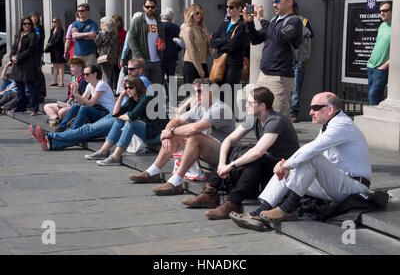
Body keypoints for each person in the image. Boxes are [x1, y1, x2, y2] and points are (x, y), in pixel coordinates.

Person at [230, 92, 371, 231]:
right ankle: (261, 211)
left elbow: (311, 149)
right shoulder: (329, 125)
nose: (310, 112)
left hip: (354, 187)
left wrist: (287, 165)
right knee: (297, 163)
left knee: (308, 158)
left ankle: (287, 208)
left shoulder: (342, 125)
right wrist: (286, 165)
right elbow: (307, 155)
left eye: (315, 108)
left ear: (330, 110)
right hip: (336, 184)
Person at [183, 87, 299, 219]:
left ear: (262, 105)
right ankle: (210, 192)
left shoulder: (275, 121)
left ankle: (232, 203)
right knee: (234, 150)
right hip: (269, 166)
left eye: (250, 103)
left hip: (283, 169)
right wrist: (222, 164)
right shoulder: (253, 118)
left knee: (253, 156)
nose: (246, 105)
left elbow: (258, 152)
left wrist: (231, 165)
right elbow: (229, 140)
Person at [129, 78, 237, 196]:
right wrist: (167, 134)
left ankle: (176, 181)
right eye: (195, 92)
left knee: (194, 136)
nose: (196, 95)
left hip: (225, 154)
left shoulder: (220, 108)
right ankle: (153, 171)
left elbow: (195, 128)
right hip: (209, 149)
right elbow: (177, 120)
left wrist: (171, 132)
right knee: (176, 134)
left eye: (200, 91)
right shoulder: (200, 107)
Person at [29, 60, 152, 151]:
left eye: (132, 69)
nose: (129, 71)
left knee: (88, 129)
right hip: (116, 115)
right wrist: (76, 93)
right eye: (127, 69)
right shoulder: (132, 82)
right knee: (87, 131)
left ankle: (51, 136)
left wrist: (120, 114)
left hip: (120, 118)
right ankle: (52, 143)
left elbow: (141, 107)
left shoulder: (142, 81)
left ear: (141, 70)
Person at [243, 0, 303, 119]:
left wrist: (262, 19)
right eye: (273, 2)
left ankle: (284, 140)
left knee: (278, 116)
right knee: (258, 112)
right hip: (264, 74)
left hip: (279, 77)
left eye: (277, 1)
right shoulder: (274, 21)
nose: (274, 5)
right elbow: (256, 39)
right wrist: (249, 23)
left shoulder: (294, 21)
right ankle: (265, 139)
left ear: (289, 2)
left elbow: (279, 37)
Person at [84, 78, 169, 166]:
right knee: (120, 120)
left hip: (158, 134)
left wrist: (120, 116)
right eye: (126, 88)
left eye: (130, 87)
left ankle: (115, 157)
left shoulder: (147, 97)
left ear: (138, 87)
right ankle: (103, 151)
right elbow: (115, 113)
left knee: (130, 123)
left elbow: (130, 117)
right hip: (148, 131)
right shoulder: (133, 100)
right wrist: (121, 96)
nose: (128, 90)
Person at [210, 0, 246, 110]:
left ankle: (230, 119)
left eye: (231, 7)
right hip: (220, 62)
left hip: (233, 64)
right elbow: (212, 42)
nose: (228, 10)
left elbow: (233, 46)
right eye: (227, 7)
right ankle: (220, 117)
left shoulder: (242, 25)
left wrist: (221, 42)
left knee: (229, 93)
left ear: (239, 9)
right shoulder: (223, 24)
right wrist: (225, 40)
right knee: (217, 91)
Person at [55, 64, 115, 131]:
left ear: (95, 74)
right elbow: (80, 102)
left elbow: (91, 103)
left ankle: (73, 130)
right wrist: (75, 92)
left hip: (107, 114)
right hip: (99, 110)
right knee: (75, 106)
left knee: (84, 108)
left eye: (87, 74)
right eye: (84, 74)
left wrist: (77, 95)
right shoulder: (90, 85)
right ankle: (62, 127)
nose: (85, 76)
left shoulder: (101, 84)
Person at [128, 0, 165, 84]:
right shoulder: (138, 21)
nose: (150, 9)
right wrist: (138, 56)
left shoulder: (158, 22)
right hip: (142, 60)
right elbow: (131, 38)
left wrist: (162, 46)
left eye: (152, 7)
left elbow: (162, 39)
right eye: (147, 7)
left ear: (155, 8)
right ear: (143, 7)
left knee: (156, 88)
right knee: (142, 87)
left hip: (156, 60)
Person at [8, 16, 40, 116]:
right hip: (18, 65)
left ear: (31, 25)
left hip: (29, 64)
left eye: (29, 24)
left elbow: (30, 50)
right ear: (22, 25)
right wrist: (11, 56)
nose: (27, 25)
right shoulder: (18, 35)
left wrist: (18, 57)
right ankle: (19, 107)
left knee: (31, 87)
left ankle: (34, 108)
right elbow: (13, 48)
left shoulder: (33, 35)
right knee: (19, 87)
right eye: (25, 24)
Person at [43, 57, 88, 126]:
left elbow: (83, 98)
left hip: (76, 105)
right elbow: (69, 96)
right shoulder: (73, 79)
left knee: (61, 112)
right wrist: (63, 103)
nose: (71, 69)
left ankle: (57, 120)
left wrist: (76, 90)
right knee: (47, 107)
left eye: (73, 67)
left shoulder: (83, 81)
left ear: (80, 68)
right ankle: (55, 118)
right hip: (68, 103)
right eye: (70, 67)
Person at [289, 2, 313, 122]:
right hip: (284, 60)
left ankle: (293, 113)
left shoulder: (303, 21)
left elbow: (308, 41)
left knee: (295, 89)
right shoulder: (281, 20)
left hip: (297, 59)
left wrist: (302, 58)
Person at [367, 1, 392, 105]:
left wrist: (385, 66)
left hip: (381, 69)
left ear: (392, 11)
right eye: (380, 11)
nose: (381, 13)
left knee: (373, 95)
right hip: (371, 66)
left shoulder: (397, 27)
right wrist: (370, 59)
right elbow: (378, 44)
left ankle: (372, 119)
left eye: (385, 11)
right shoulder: (382, 26)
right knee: (375, 96)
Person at [180, 4, 212, 84]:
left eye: (201, 13)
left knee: (205, 93)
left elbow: (210, 50)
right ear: (191, 14)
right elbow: (191, 50)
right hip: (192, 64)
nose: (199, 15)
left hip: (203, 63)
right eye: (197, 13)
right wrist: (199, 69)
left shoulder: (201, 28)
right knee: (192, 94)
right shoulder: (188, 29)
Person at [160, 8, 181, 101]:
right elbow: (181, 43)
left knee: (160, 78)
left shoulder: (158, 27)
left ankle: (161, 96)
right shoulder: (176, 28)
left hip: (160, 56)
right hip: (172, 56)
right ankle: (172, 98)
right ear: (171, 17)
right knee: (171, 78)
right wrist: (176, 50)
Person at [95, 16, 121, 87]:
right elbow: (119, 46)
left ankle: (107, 91)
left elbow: (97, 43)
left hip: (104, 56)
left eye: (101, 23)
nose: (100, 24)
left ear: (105, 24)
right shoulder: (116, 34)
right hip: (113, 56)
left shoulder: (102, 33)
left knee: (105, 74)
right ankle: (109, 89)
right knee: (110, 73)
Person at [45, 17, 66, 87]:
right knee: (54, 65)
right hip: (53, 50)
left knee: (60, 65)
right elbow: (50, 38)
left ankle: (61, 81)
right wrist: (48, 43)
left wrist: (51, 44)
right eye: (52, 21)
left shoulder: (61, 30)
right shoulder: (52, 30)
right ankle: (54, 81)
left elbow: (58, 40)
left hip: (59, 49)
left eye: (55, 21)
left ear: (58, 22)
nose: (53, 23)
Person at [112, 14, 127, 91]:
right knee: (117, 72)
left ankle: (115, 87)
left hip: (116, 54)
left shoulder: (113, 33)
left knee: (114, 71)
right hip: (120, 53)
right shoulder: (124, 32)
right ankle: (117, 87)